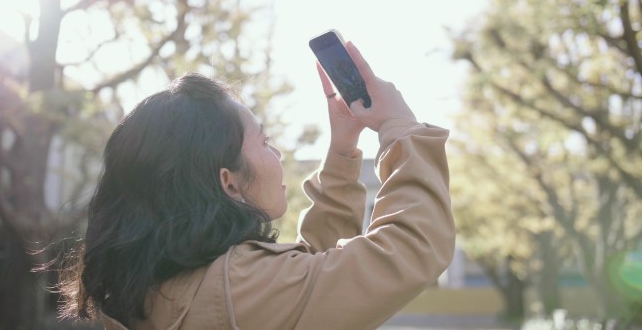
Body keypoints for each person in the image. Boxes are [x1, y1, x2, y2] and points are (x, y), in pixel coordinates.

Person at [57, 41, 455, 330]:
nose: (277, 153)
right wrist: (398, 125)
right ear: (228, 183)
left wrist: (341, 151)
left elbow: (302, 291)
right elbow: (411, 248)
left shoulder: (157, 289)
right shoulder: (238, 289)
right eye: (264, 141)